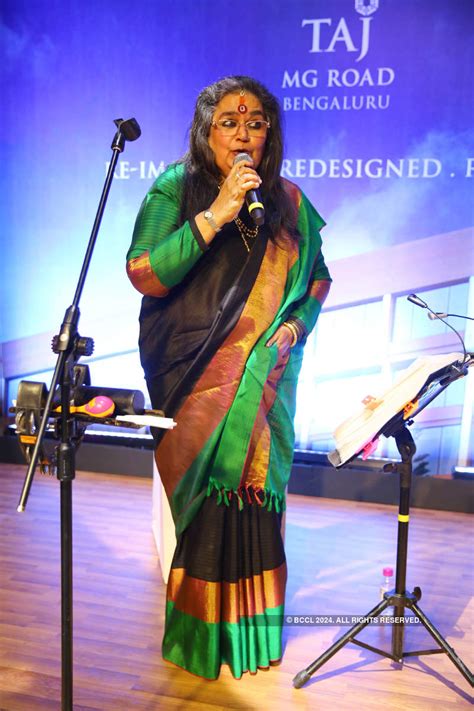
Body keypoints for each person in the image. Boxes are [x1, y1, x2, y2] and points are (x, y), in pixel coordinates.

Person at [126, 75, 331, 680]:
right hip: (193, 379)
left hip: (265, 386)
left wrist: (292, 330)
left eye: (256, 124)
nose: (243, 136)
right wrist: (216, 214)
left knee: (257, 512)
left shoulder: (287, 202)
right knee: (208, 515)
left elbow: (317, 279)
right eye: (229, 124)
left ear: (271, 133)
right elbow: (144, 272)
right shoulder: (176, 187)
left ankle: (254, 639)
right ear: (205, 131)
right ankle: (198, 641)